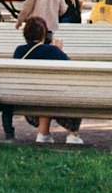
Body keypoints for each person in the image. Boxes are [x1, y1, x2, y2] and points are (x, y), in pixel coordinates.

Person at [12, 15, 84, 146]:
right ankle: (73, 134)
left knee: (43, 91)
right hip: (51, 99)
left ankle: (43, 133)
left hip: (26, 102)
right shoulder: (52, 51)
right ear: (44, 33)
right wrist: (59, 50)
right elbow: (70, 69)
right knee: (64, 91)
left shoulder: (19, 51)